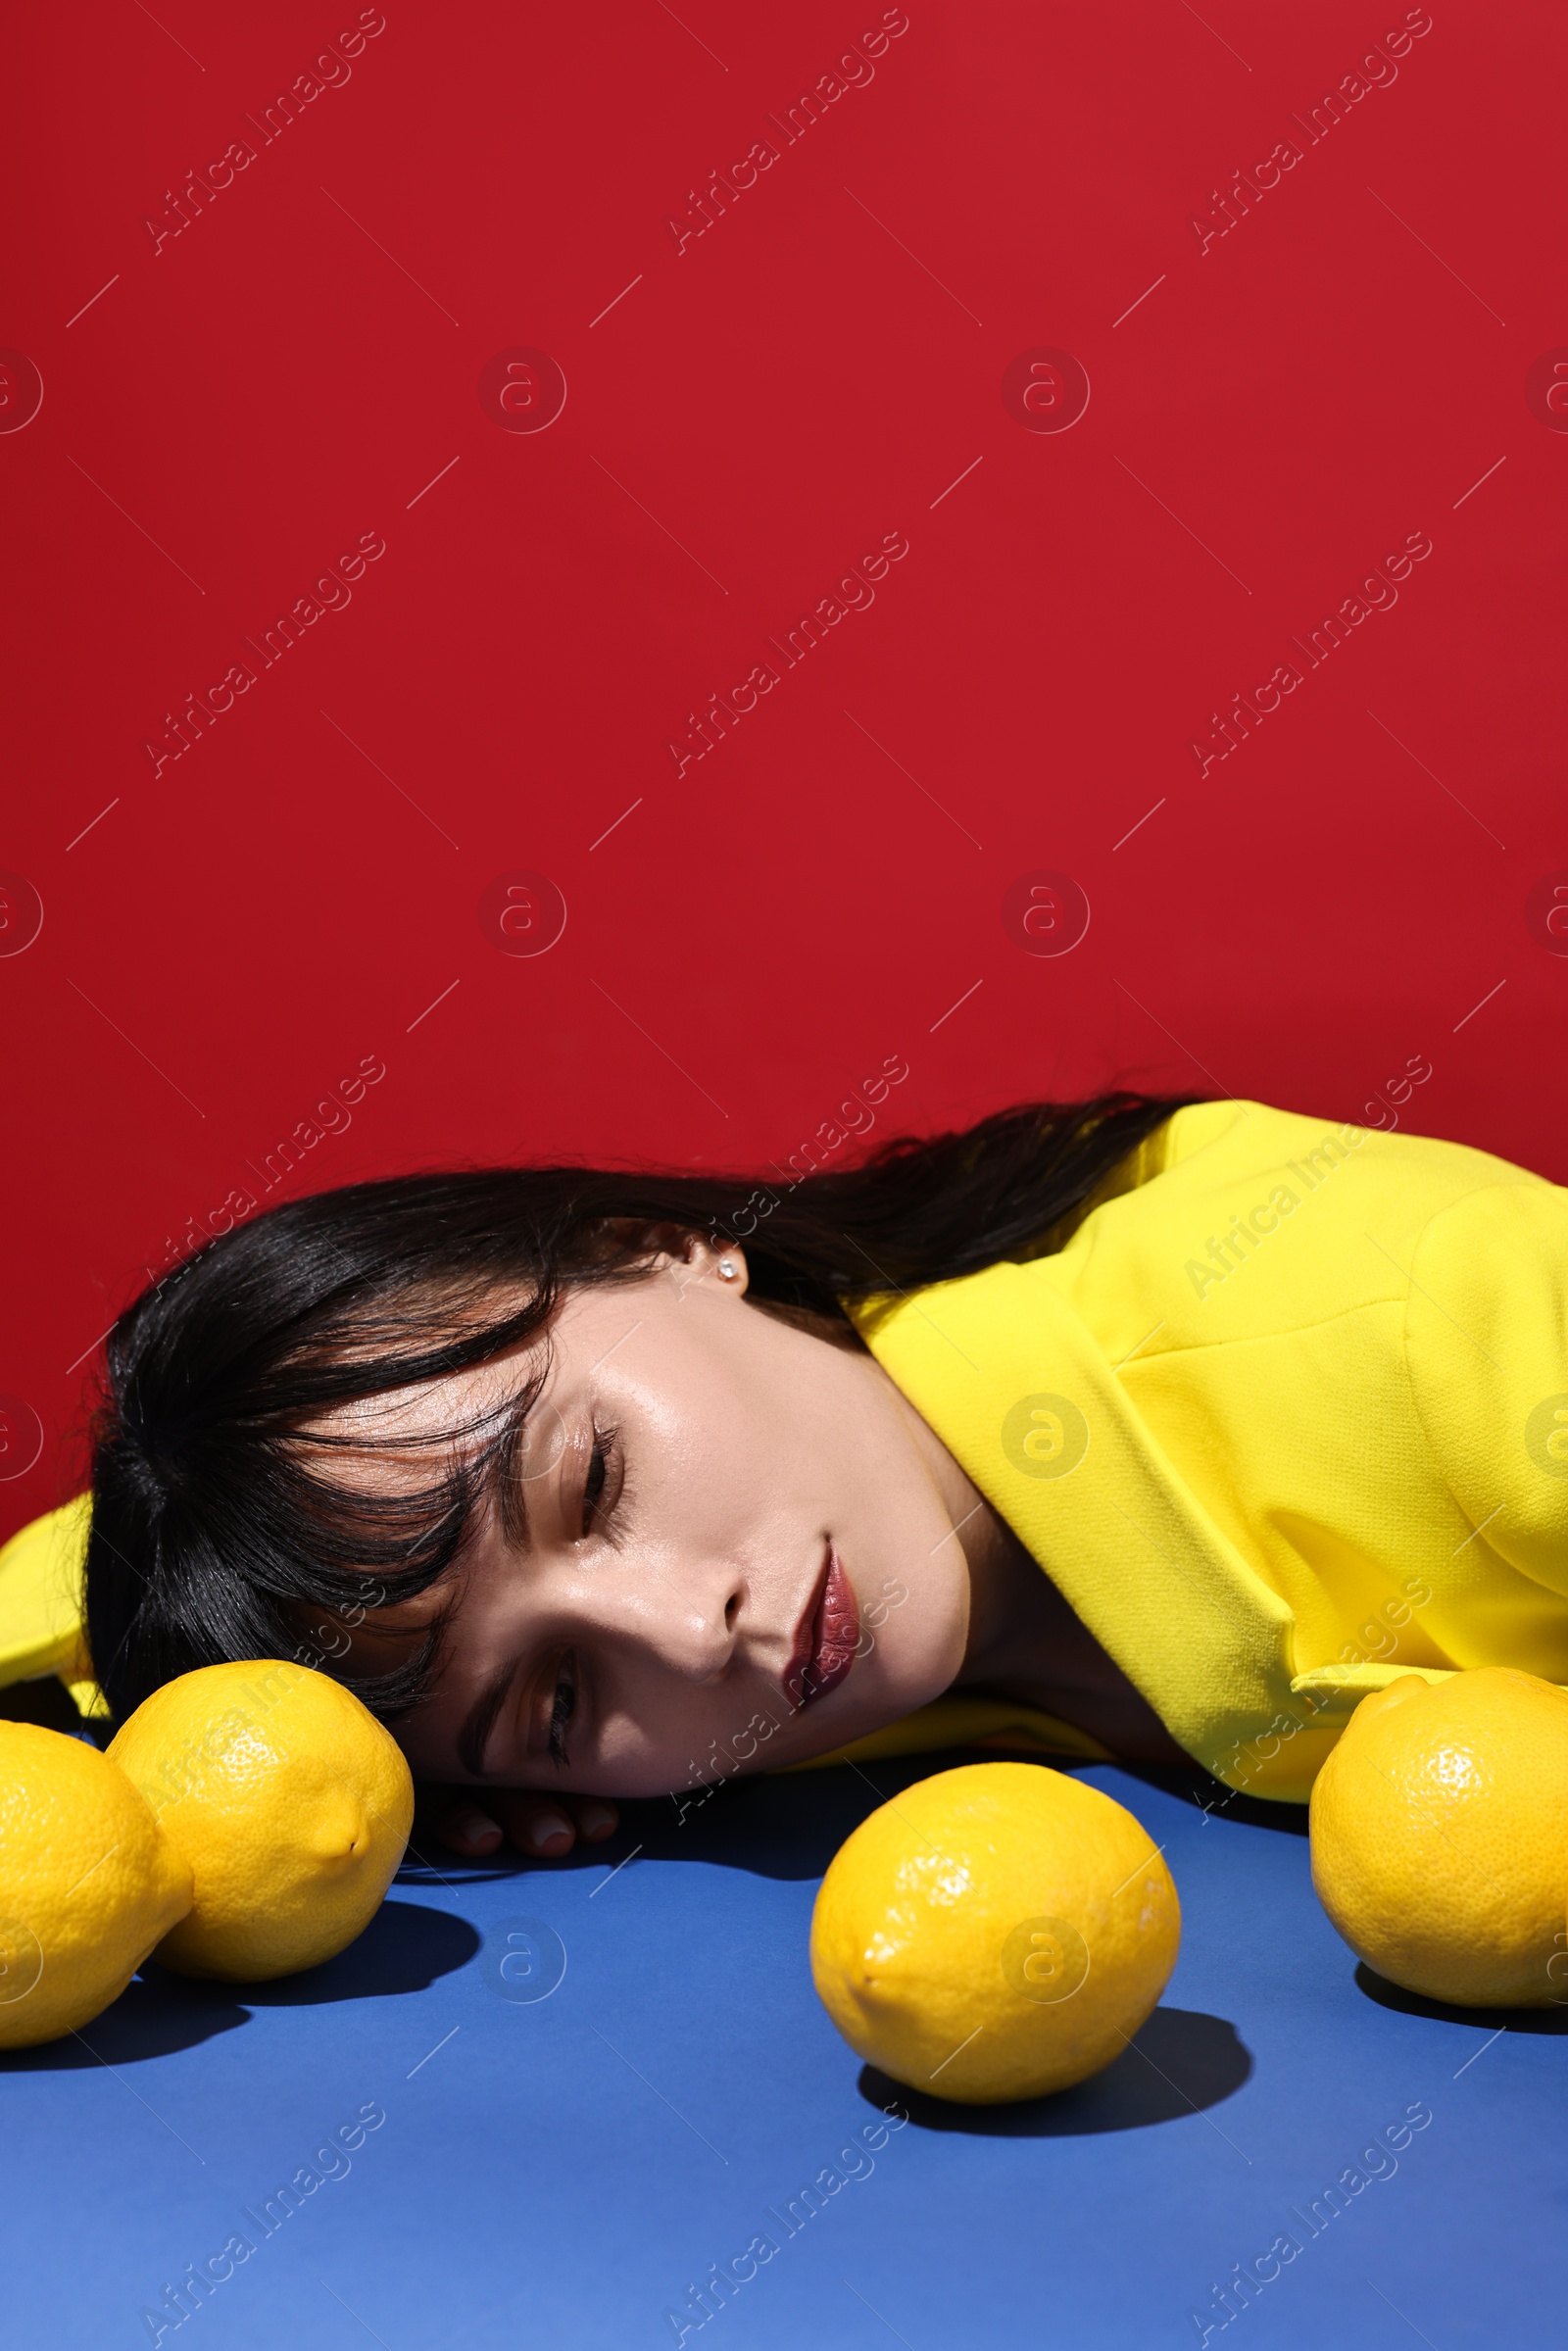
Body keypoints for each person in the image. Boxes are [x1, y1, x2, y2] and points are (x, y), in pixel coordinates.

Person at [62, 1090, 1568, 1864]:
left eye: (595, 1482)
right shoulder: (855, 1564)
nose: (687, 1631)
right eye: (563, 1700)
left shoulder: (1437, 1332)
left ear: (659, 1248)